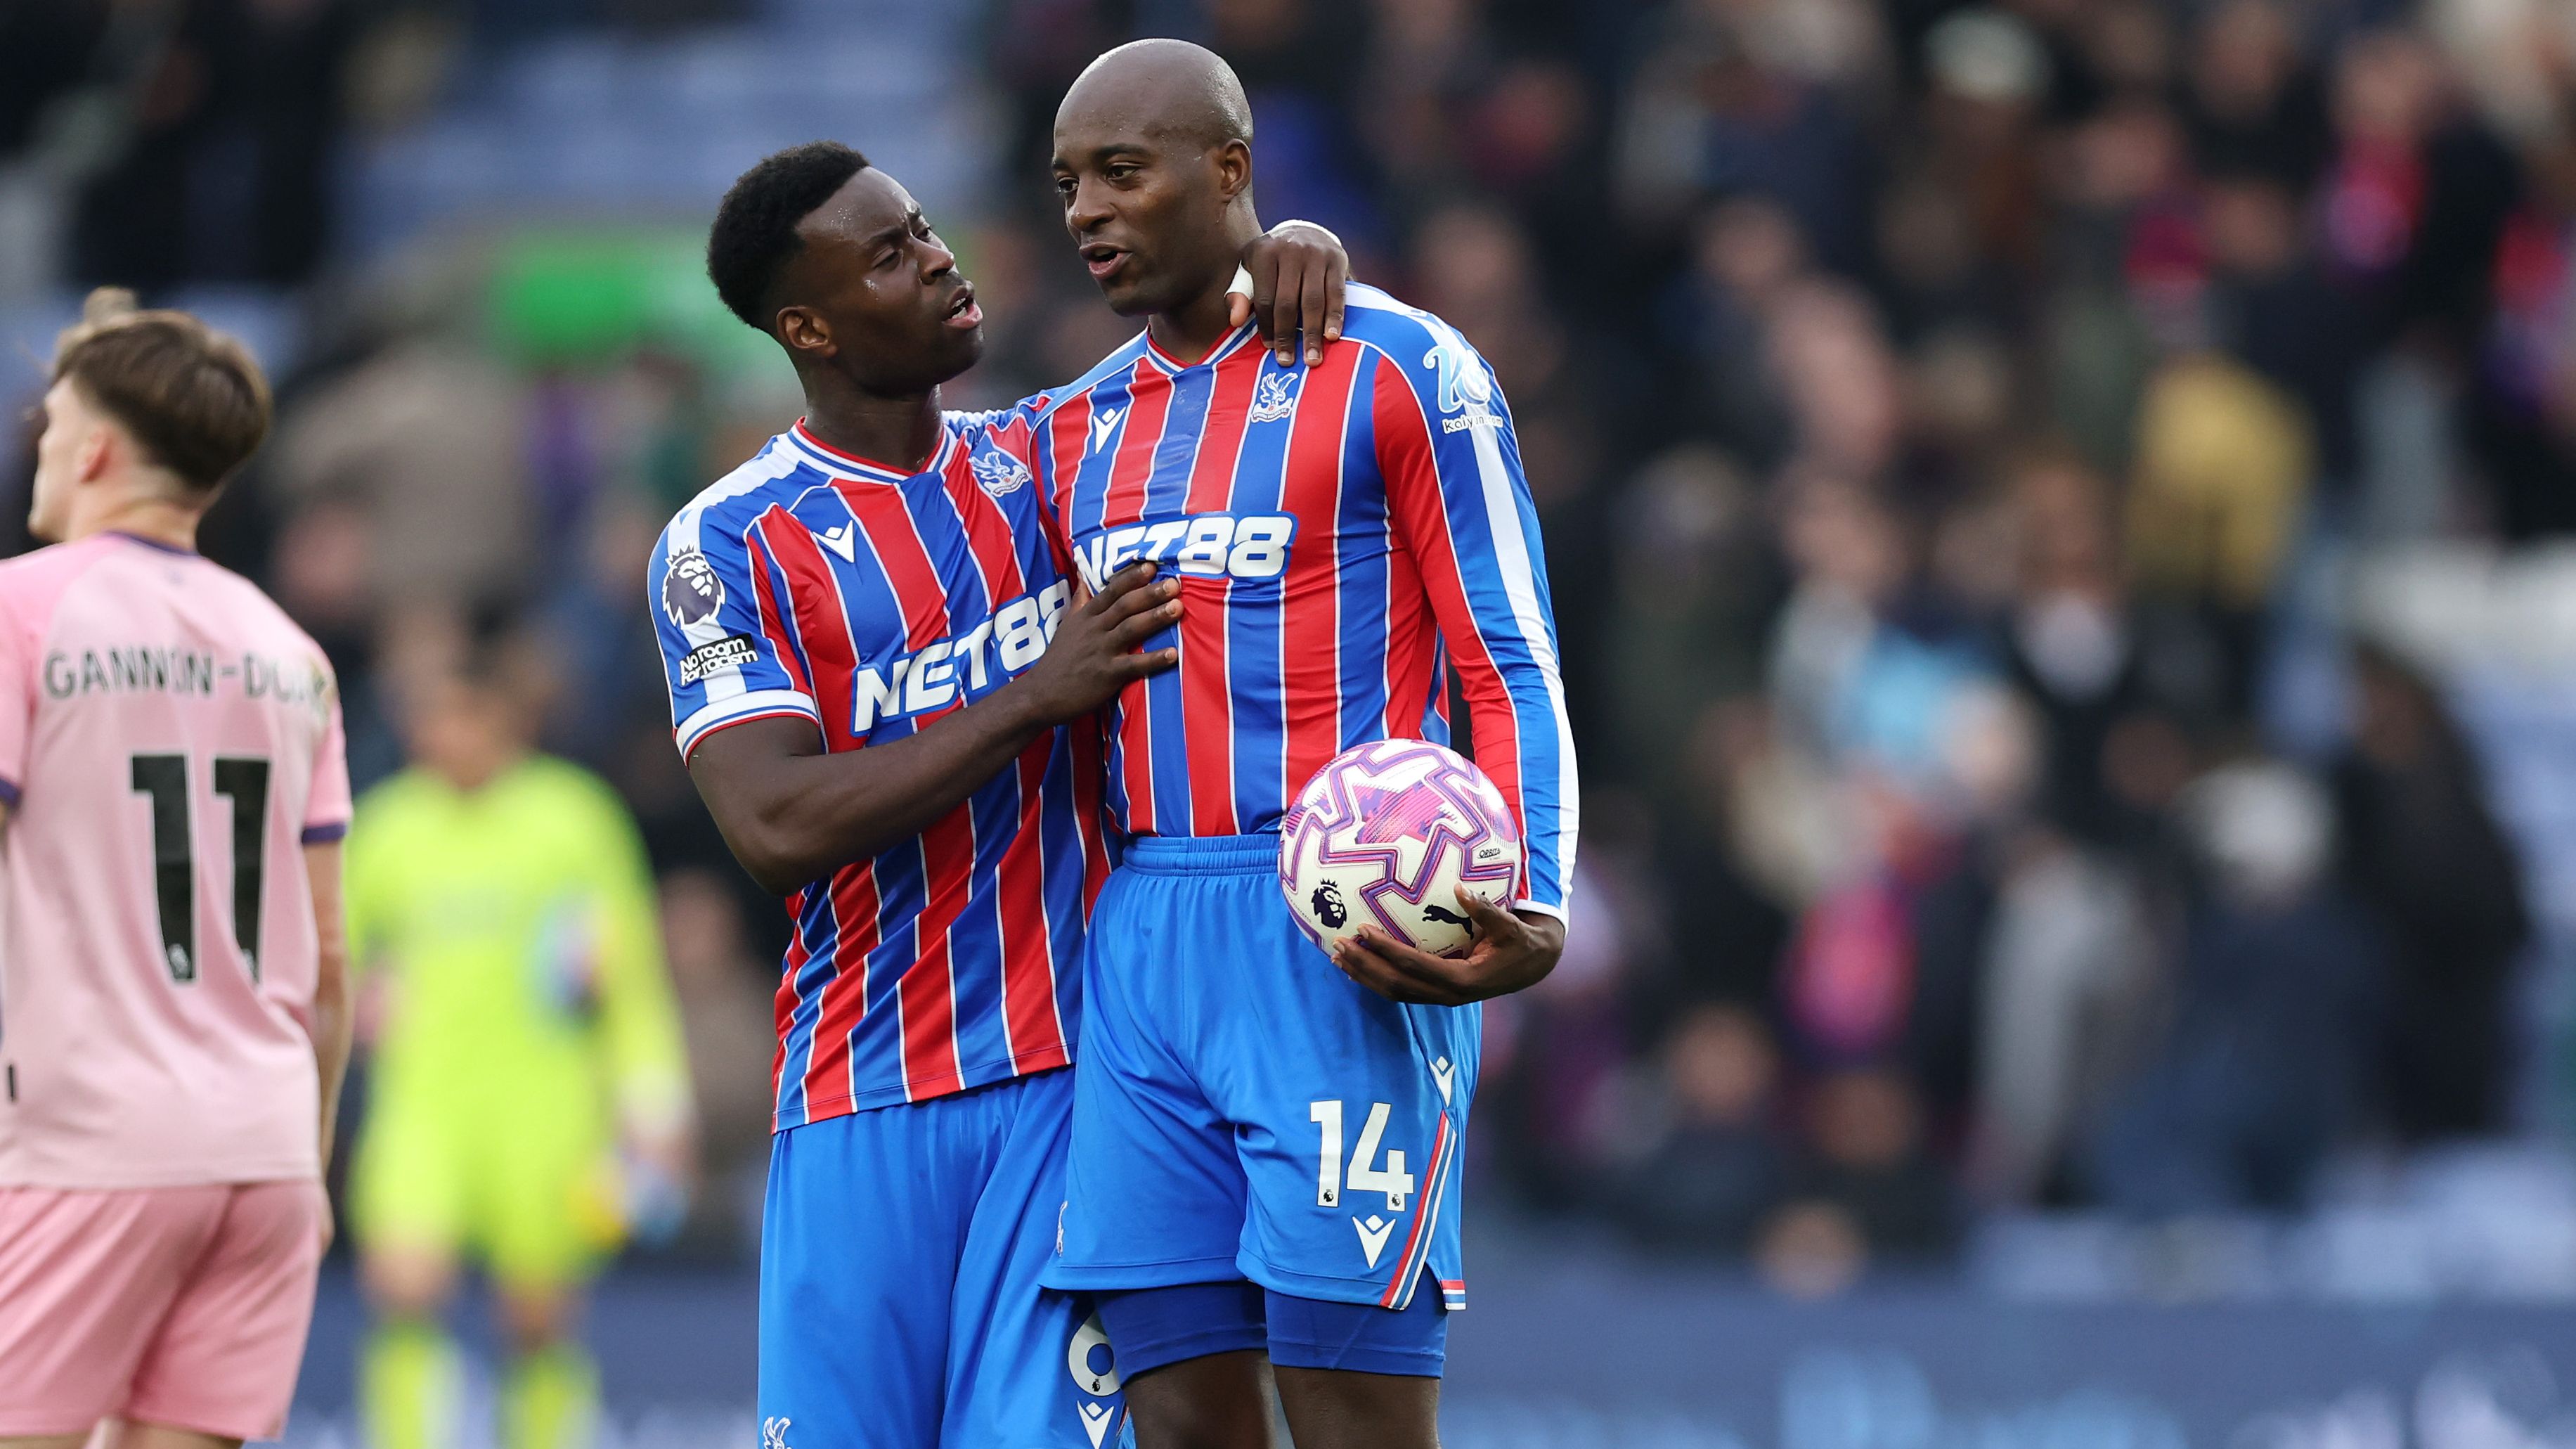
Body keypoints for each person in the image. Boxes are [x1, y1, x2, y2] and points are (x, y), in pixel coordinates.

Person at [652, 141, 1348, 1449]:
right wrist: (1033, 690)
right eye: (888, 254)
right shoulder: (727, 541)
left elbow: (1208, 379)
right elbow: (773, 826)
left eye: (923, 227)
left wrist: (1286, 258)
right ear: (806, 325)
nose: (937, 260)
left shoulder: (1046, 463)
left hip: (1071, 1092)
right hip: (858, 1097)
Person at [1029, 41, 1578, 1449]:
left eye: (1122, 170)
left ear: (1228, 172)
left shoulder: (1399, 367)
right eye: (1066, 181)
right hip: (1141, 946)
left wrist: (1534, 898)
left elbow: (1503, 654)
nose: (1085, 208)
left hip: (1337, 934)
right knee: (1177, 1415)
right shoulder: (1064, 431)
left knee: (1350, 1411)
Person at [0, 290, 352, 1449]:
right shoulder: (290, 653)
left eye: (49, 428)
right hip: (264, 1155)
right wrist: (305, 1165)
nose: (40, 452)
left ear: (95, 447)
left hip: (86, 1139)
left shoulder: (22, 611)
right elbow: (330, 960)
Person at [343, 626, 691, 1449]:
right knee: (404, 1284)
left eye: (460, 718)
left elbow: (629, 981)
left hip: (546, 1105)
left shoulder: (573, 819)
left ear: (503, 719)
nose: (443, 737)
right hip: (423, 1103)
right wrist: (359, 1002)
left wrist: (655, 1105)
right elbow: (337, 965)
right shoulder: (388, 828)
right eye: (430, 720)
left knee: (536, 1319)